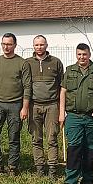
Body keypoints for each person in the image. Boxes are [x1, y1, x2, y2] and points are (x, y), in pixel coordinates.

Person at [60, 43, 93, 184]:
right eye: (79, 54)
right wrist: (61, 113)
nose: (82, 57)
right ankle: (70, 181)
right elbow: (63, 91)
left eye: (84, 54)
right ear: (76, 55)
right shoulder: (70, 70)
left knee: (90, 150)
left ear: (89, 55)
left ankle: (88, 181)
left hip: (92, 117)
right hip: (73, 116)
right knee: (74, 149)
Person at [0, 33, 32, 176]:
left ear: (15, 45)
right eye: (4, 44)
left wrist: (24, 108)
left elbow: (27, 87)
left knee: (14, 138)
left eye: (9, 44)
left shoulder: (22, 63)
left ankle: (13, 167)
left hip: (16, 105)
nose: (6, 47)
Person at [26, 35, 65, 176]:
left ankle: (53, 168)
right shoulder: (27, 63)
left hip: (52, 105)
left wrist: (62, 110)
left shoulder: (56, 62)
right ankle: (39, 167)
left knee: (52, 138)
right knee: (36, 138)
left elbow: (62, 86)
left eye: (41, 44)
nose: (39, 47)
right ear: (33, 46)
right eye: (36, 45)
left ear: (46, 45)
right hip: (34, 105)